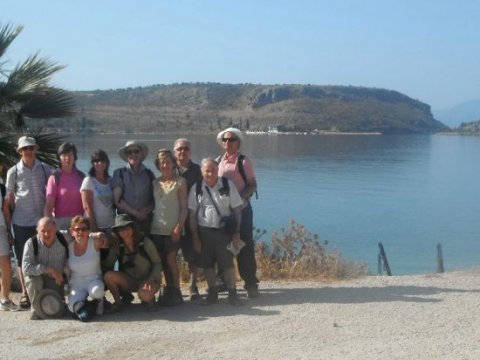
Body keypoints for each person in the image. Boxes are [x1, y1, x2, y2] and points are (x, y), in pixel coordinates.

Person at [3, 135, 52, 309]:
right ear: (19, 152)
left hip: (41, 223)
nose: (29, 151)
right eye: (25, 149)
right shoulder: (13, 172)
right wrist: (9, 230)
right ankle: (25, 293)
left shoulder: (46, 169)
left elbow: (52, 195)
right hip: (21, 221)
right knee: (22, 258)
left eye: (31, 148)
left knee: (42, 256)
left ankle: (43, 291)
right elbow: (8, 202)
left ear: (35, 150)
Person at [188, 158, 243, 306]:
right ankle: (212, 294)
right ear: (202, 172)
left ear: (218, 170)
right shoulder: (196, 188)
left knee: (228, 265)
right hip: (204, 232)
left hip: (224, 233)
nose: (210, 173)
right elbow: (192, 216)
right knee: (208, 265)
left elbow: (237, 210)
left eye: (213, 170)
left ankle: (233, 294)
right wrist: (195, 238)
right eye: (207, 170)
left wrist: (237, 232)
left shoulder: (227, 184)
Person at [216, 127, 260, 298]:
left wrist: (238, 200)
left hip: (242, 210)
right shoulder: (218, 161)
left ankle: (250, 283)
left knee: (244, 246)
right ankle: (224, 282)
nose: (228, 142)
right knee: (222, 246)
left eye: (232, 139)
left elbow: (253, 185)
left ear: (238, 142)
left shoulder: (243, 161)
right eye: (225, 140)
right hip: (223, 212)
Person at [104, 214, 162, 313]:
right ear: (117, 232)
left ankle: (149, 300)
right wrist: (107, 247)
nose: (124, 231)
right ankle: (118, 303)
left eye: (127, 227)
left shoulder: (145, 242)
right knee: (108, 276)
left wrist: (151, 279)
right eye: (121, 229)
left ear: (133, 228)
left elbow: (157, 263)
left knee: (145, 295)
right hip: (130, 281)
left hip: (148, 280)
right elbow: (108, 264)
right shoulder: (118, 246)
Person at [150, 149, 187, 306]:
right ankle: (167, 291)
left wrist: (179, 226)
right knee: (161, 262)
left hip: (173, 229)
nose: (165, 165)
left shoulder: (180, 182)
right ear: (158, 165)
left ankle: (177, 291)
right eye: (161, 162)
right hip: (156, 228)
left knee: (171, 260)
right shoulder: (155, 182)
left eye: (167, 161)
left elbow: (184, 207)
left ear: (173, 163)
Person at [22, 217, 68, 320]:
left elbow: (80, 235)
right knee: (32, 278)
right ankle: (36, 310)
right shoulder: (31, 243)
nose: (46, 234)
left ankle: (55, 306)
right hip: (38, 280)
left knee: (56, 310)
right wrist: (49, 269)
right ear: (37, 230)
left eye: (49, 231)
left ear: (55, 229)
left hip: (56, 281)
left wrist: (96, 235)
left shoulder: (64, 238)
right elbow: (26, 268)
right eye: (43, 231)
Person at [173, 138, 202, 300]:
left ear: (190, 152)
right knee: (170, 255)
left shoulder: (198, 170)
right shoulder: (168, 169)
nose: (182, 152)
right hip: (172, 220)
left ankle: (193, 286)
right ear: (174, 151)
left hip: (192, 219)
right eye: (179, 149)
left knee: (192, 256)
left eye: (185, 149)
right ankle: (173, 287)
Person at [80, 149, 116, 273]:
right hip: (96, 227)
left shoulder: (111, 181)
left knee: (109, 259)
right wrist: (95, 228)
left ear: (106, 163)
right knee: (95, 261)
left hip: (110, 226)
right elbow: (87, 207)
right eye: (95, 161)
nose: (98, 164)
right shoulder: (89, 181)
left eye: (101, 161)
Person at [67, 216, 108, 321]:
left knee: (97, 292)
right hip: (76, 283)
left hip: (94, 280)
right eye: (77, 229)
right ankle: (89, 305)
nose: (80, 232)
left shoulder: (94, 242)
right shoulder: (69, 247)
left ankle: (98, 302)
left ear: (88, 231)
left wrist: (98, 234)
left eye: (84, 229)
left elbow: (106, 242)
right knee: (72, 308)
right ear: (72, 232)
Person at [112, 140, 155, 236]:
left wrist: (147, 210)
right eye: (129, 152)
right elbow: (117, 200)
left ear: (141, 154)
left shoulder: (149, 174)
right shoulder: (119, 173)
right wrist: (136, 213)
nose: (133, 154)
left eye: (136, 151)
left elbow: (155, 198)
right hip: (125, 222)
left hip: (145, 221)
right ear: (126, 155)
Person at [44, 142, 84, 231]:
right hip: (61, 223)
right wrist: (48, 225)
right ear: (59, 158)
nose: (67, 158)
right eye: (64, 155)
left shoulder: (81, 177)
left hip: (79, 223)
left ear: (75, 157)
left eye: (70, 154)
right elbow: (49, 206)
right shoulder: (54, 178)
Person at [0, 177, 20, 311]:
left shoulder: (1, 183)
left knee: (6, 267)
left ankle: (4, 299)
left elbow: (5, 209)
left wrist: (9, 232)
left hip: (0, 229)